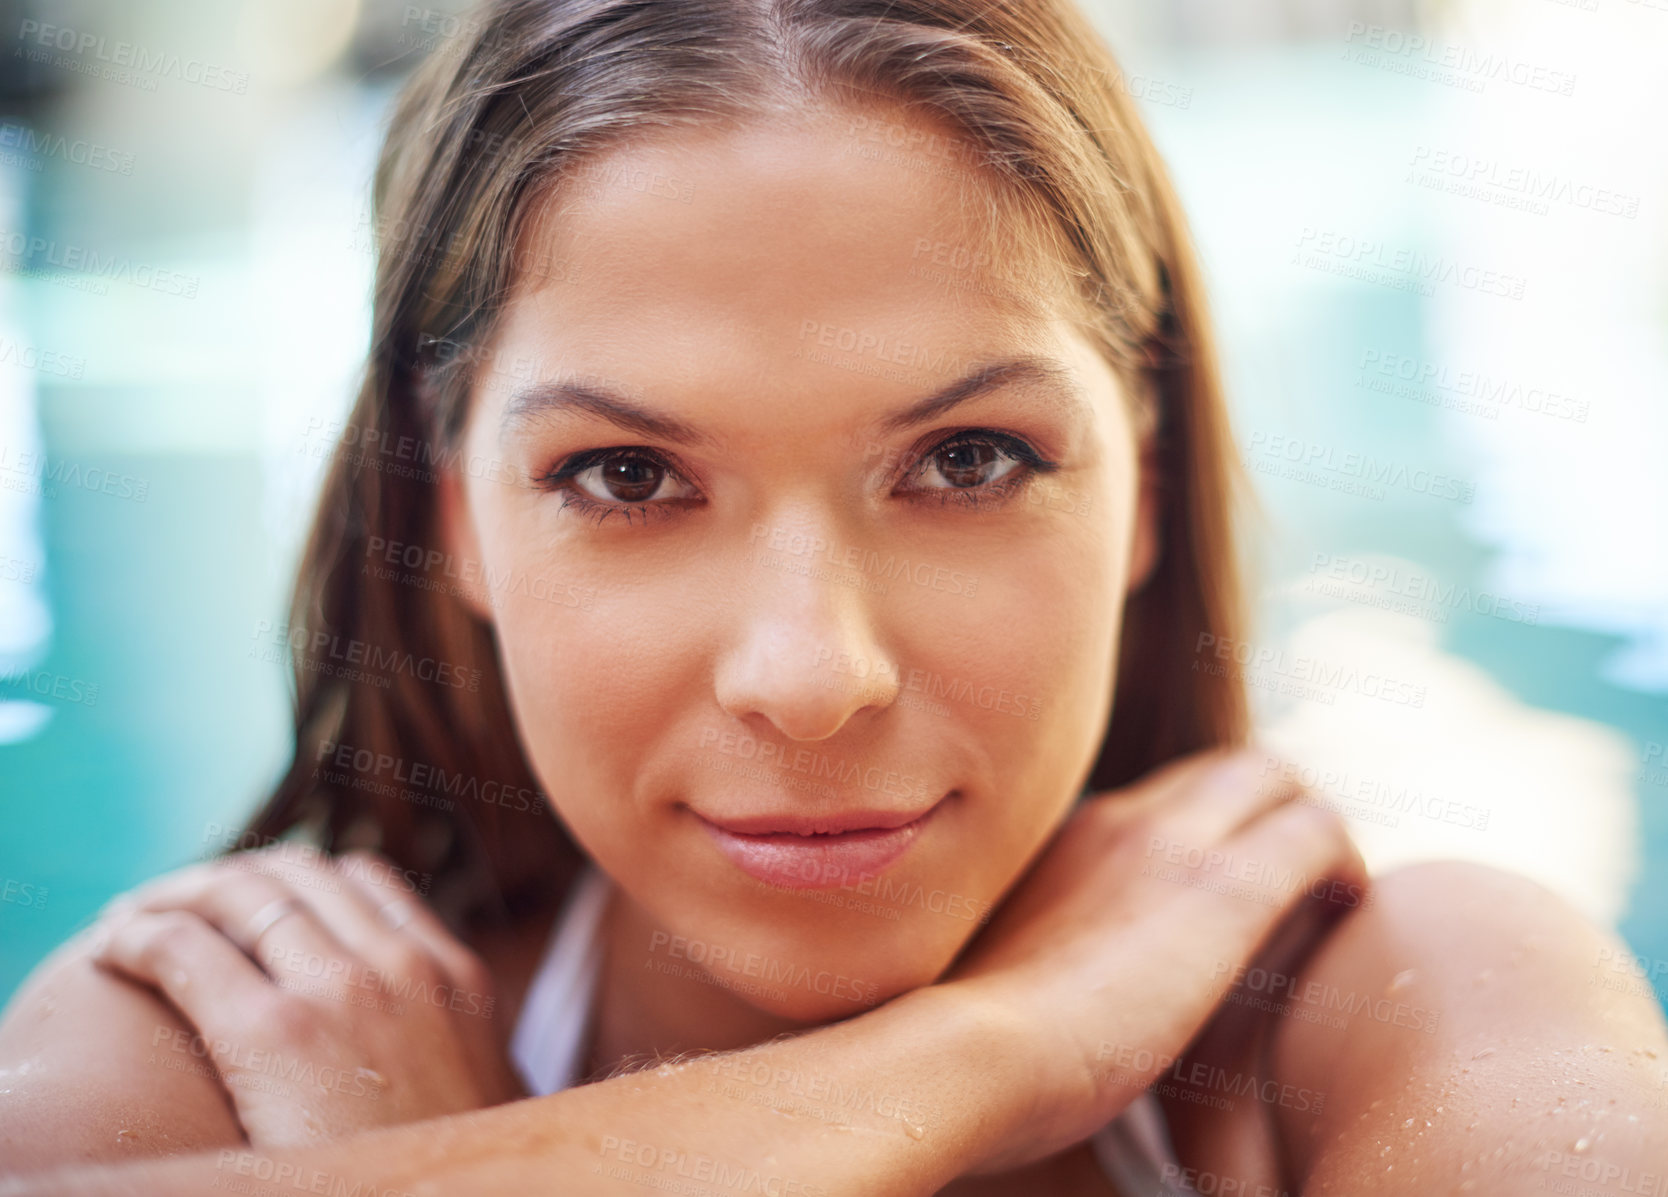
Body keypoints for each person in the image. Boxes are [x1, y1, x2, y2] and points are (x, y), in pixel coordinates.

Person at [2, 0, 1664, 1192]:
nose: (811, 675)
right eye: (627, 475)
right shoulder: (202, 1047)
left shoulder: (1415, 1007)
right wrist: (1013, 1040)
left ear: (1145, 485)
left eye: (966, 459)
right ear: (457, 521)